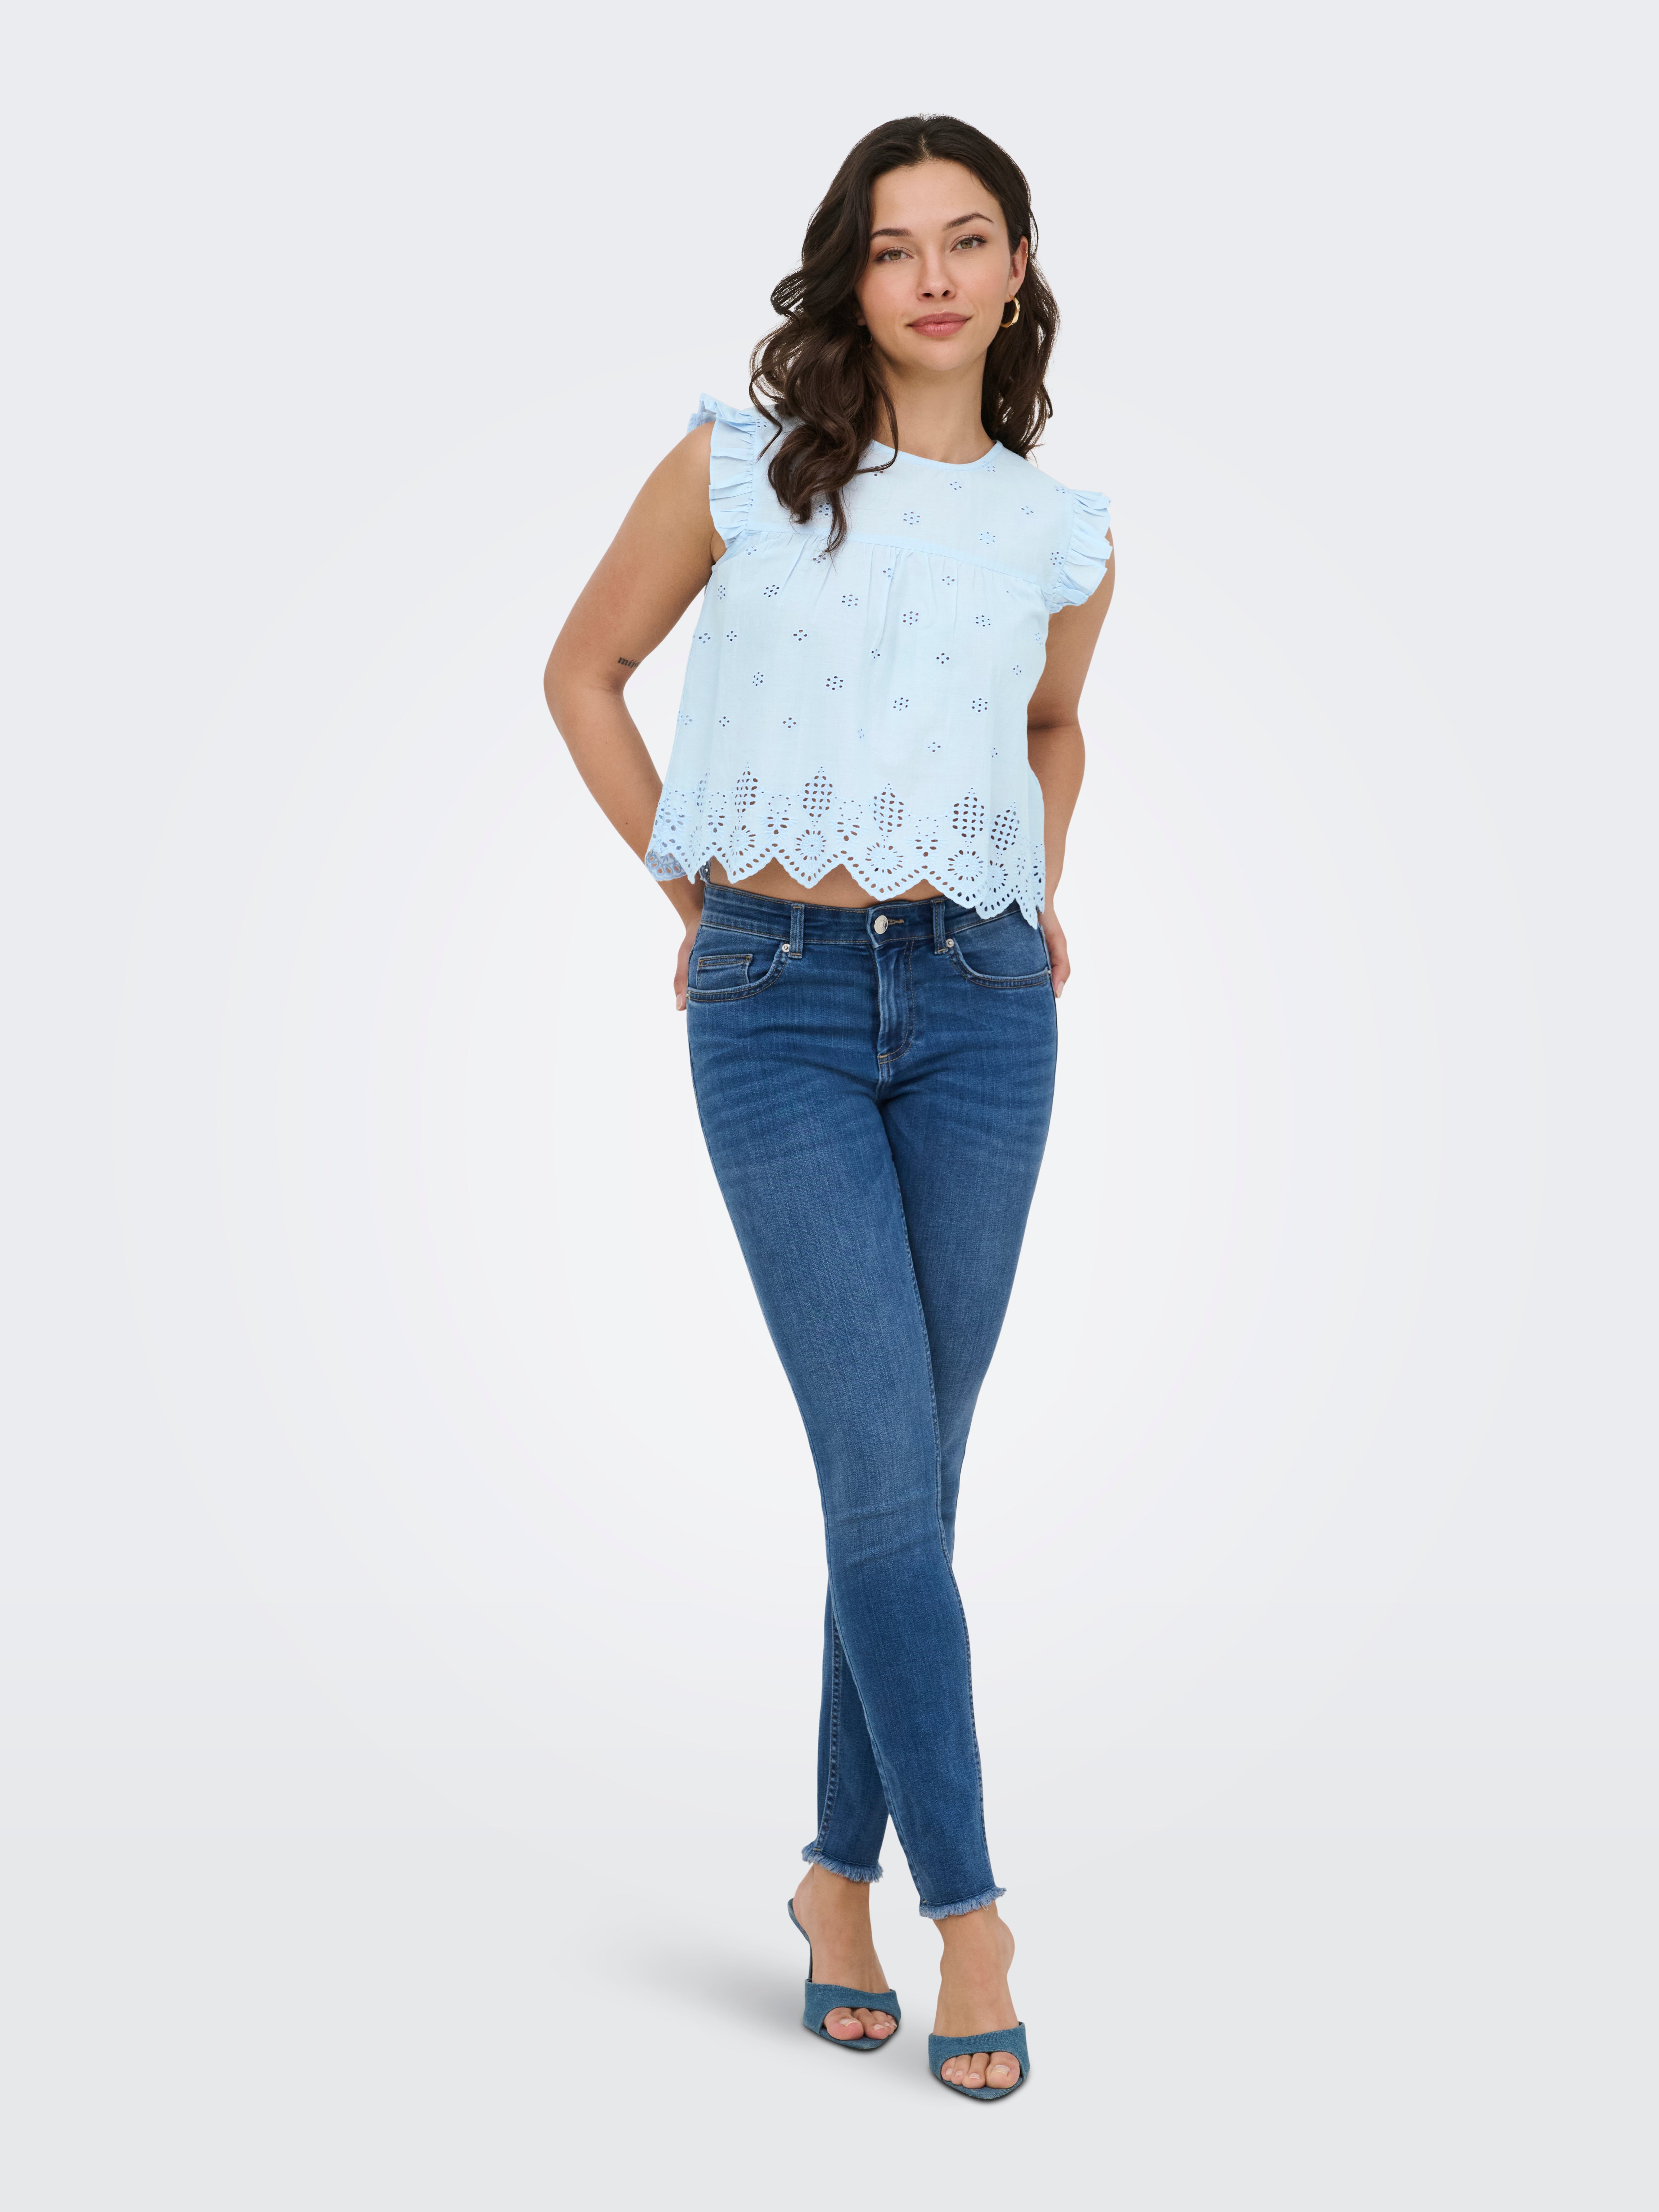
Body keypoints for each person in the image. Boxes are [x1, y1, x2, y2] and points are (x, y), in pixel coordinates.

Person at [544, 113, 1113, 2101]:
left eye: (970, 239)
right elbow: (585, 671)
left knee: (908, 1492)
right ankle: (976, 1917)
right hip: (772, 1007)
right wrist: (694, 899)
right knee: (883, 1473)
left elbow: (1052, 721)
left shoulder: (1062, 530)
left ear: (1018, 269)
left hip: (984, 1006)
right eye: (894, 246)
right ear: (849, 278)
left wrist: (1037, 871)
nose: (933, 276)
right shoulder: (738, 466)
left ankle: (830, 1881)